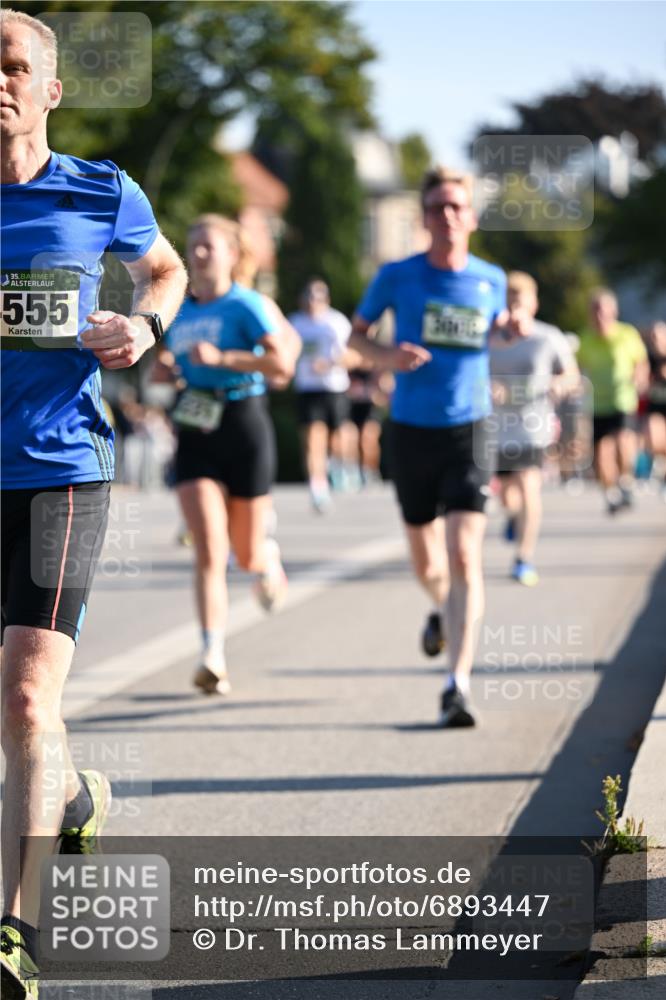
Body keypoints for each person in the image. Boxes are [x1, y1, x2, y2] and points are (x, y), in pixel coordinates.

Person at [0, 10, 187, 999]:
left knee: (28, 696)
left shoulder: (100, 189)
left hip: (60, 468)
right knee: (22, 711)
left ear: (50, 89)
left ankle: (15, 930)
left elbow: (166, 268)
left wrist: (146, 326)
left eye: (11, 66)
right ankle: (73, 796)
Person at [349, 165, 506, 728]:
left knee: (464, 555)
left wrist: (510, 330)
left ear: (472, 217)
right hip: (412, 429)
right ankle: (442, 608)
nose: (447, 216)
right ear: (424, 218)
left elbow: (498, 331)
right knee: (427, 561)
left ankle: (456, 684)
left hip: (470, 429)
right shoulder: (397, 275)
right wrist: (388, 357)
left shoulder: (491, 279)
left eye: (456, 207)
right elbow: (355, 337)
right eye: (437, 207)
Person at [153, 215, 294, 697]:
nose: (198, 254)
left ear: (232, 255)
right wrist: (166, 370)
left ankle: (267, 559)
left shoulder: (246, 304)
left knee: (246, 552)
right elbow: (166, 362)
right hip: (195, 426)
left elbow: (282, 366)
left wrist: (226, 359)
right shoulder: (177, 309)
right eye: (192, 246)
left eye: (208, 247)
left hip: (243, 421)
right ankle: (211, 654)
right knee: (210, 549)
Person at [488, 272, 579, 586]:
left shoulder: (547, 336)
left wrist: (559, 384)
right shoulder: (489, 337)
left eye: (521, 300)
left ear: (534, 303)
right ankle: (514, 518)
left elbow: (572, 375)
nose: (515, 307)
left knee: (529, 487)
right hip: (495, 428)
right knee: (508, 498)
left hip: (532, 425)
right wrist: (487, 387)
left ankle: (523, 558)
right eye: (509, 300)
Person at [576, 289, 649, 514]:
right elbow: (576, 367)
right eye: (595, 310)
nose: (600, 315)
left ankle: (626, 481)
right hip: (597, 403)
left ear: (613, 311)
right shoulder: (585, 338)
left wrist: (639, 379)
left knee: (623, 441)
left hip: (622, 399)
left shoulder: (626, 334)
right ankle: (611, 494)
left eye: (604, 310)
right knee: (601, 453)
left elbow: (641, 362)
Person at [289, 279, 359, 511]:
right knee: (312, 439)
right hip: (308, 389)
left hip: (334, 388)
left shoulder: (336, 322)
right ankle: (318, 488)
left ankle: (338, 466)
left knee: (338, 439)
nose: (312, 301)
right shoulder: (295, 323)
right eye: (308, 296)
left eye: (317, 297)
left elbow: (355, 356)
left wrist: (330, 363)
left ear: (326, 299)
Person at [346, 365, 390, 486]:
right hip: (352, 406)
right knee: (351, 439)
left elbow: (387, 387)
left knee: (369, 439)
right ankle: (353, 470)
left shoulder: (377, 366)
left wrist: (379, 394)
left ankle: (370, 470)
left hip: (370, 407)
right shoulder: (350, 365)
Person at [643, 321, 666, 499]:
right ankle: (659, 464)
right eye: (652, 337)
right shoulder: (648, 358)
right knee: (654, 438)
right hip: (656, 407)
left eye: (659, 336)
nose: (655, 340)